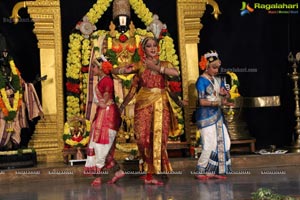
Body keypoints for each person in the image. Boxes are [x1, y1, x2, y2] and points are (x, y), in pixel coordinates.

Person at [117, 37, 183, 185]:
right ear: (143, 49)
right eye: (149, 46)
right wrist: (115, 70)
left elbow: (175, 73)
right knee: (141, 139)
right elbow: (133, 88)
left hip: (161, 105)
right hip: (142, 105)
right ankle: (148, 167)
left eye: (155, 45)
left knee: (159, 139)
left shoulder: (165, 65)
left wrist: (157, 68)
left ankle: (155, 173)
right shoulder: (140, 65)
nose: (153, 48)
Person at [83, 55, 125, 186]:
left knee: (101, 145)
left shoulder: (107, 80)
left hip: (108, 115)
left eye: (94, 66)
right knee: (98, 144)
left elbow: (106, 97)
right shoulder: (102, 80)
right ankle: (118, 172)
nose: (93, 69)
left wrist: (103, 103)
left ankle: (98, 177)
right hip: (103, 113)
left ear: (101, 68)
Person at [194, 50, 233, 180]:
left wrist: (225, 95)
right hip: (205, 117)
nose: (216, 70)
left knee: (225, 142)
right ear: (206, 66)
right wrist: (217, 103)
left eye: (217, 68)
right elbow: (202, 101)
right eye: (214, 67)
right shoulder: (201, 81)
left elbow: (226, 97)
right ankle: (201, 169)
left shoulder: (218, 80)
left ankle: (214, 171)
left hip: (218, 115)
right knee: (209, 144)